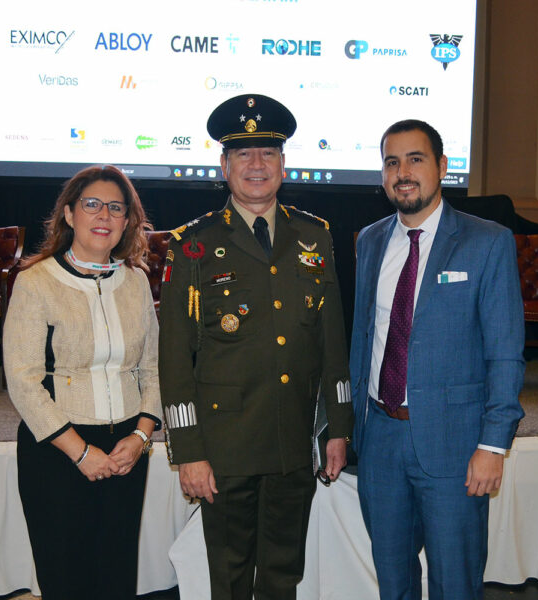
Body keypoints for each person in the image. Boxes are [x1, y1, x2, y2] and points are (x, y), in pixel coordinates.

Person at [158, 94, 354, 599]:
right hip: (226, 445)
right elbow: (175, 358)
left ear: (284, 165)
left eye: (267, 153)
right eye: (243, 155)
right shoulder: (193, 245)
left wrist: (338, 426)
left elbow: (332, 340)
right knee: (227, 575)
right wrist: (189, 451)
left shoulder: (316, 237)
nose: (257, 165)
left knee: (282, 575)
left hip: (293, 439)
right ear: (224, 167)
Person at [349, 120, 525, 600]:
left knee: (455, 583)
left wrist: (494, 444)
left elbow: (506, 352)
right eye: (391, 162)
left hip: (456, 445)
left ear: (443, 167)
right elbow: (363, 341)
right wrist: (350, 429)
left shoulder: (487, 242)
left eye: (416, 159)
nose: (403, 172)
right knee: (393, 578)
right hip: (381, 440)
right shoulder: (368, 242)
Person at [3, 165, 162, 600]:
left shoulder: (135, 281)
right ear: (69, 214)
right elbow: (23, 381)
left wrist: (141, 437)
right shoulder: (35, 283)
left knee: (115, 577)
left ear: (128, 221)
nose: (104, 215)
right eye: (92, 204)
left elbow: (153, 369)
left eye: (116, 207)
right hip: (58, 451)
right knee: (67, 579)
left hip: (127, 449)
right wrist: (81, 452)